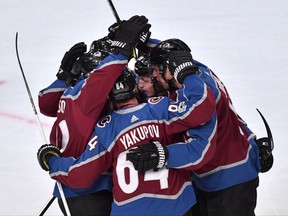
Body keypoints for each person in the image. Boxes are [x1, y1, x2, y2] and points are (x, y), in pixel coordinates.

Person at [36, 49, 217, 215]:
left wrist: (51, 160)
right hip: (176, 206)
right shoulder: (159, 109)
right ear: (134, 87)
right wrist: (187, 73)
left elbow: (79, 175)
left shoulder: (106, 129)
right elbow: (201, 109)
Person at [128, 38, 268, 216]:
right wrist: (142, 42)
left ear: (169, 67)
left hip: (227, 184)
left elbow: (199, 151)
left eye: (156, 69)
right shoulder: (196, 71)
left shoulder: (196, 95)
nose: (153, 74)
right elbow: (172, 53)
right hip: (229, 171)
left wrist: (162, 154)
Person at [37, 15, 151, 215]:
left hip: (72, 183)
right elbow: (105, 75)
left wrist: (65, 76)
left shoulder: (74, 89)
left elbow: (46, 105)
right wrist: (123, 47)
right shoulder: (90, 93)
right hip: (89, 188)